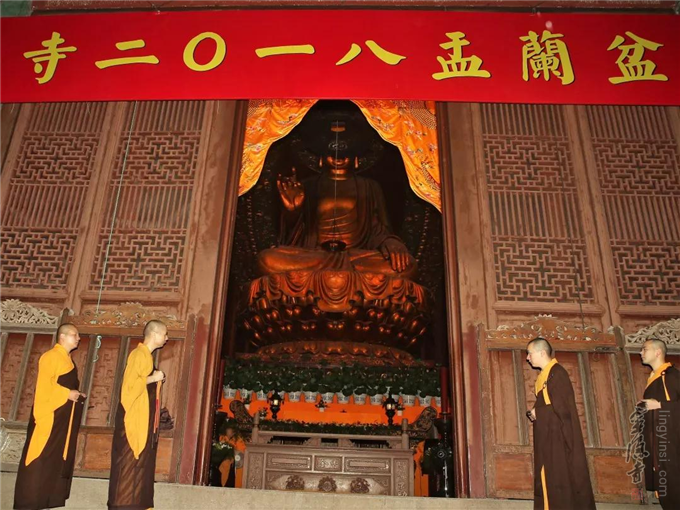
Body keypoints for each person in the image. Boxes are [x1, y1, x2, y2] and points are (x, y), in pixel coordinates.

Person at [14, 323, 86, 510]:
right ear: (62, 337)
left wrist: (76, 394)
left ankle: (45, 500)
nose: (78, 338)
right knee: (39, 459)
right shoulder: (50, 357)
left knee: (54, 460)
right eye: (75, 335)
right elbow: (44, 388)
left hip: (61, 419)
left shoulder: (68, 360)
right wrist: (67, 394)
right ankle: (28, 503)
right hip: (49, 416)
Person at [526, 337, 595, 510]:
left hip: (559, 439)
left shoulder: (557, 373)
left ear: (542, 353)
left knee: (560, 479)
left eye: (530, 353)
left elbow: (564, 410)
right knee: (548, 478)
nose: (527, 358)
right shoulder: (545, 376)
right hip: (548, 436)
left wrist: (539, 412)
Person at [108, 320, 168, 510]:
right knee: (128, 465)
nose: (166, 338)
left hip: (142, 422)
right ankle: (124, 505)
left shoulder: (146, 356)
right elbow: (128, 388)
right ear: (154, 334)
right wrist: (153, 378)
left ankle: (138, 505)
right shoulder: (138, 355)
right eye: (164, 334)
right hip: (132, 421)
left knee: (140, 466)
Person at [638, 338, 680, 509]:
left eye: (644, 349)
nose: (641, 352)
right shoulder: (654, 378)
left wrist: (661, 405)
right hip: (658, 440)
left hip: (671, 441)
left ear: (658, 352)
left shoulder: (671, 375)